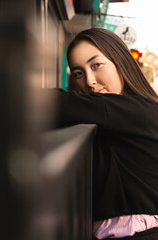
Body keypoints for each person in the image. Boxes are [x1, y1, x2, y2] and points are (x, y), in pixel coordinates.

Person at [55, 28, 158, 239]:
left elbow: (54, 103)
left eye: (96, 65)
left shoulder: (134, 110)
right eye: (78, 73)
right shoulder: (121, 115)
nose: (90, 81)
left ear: (120, 62)